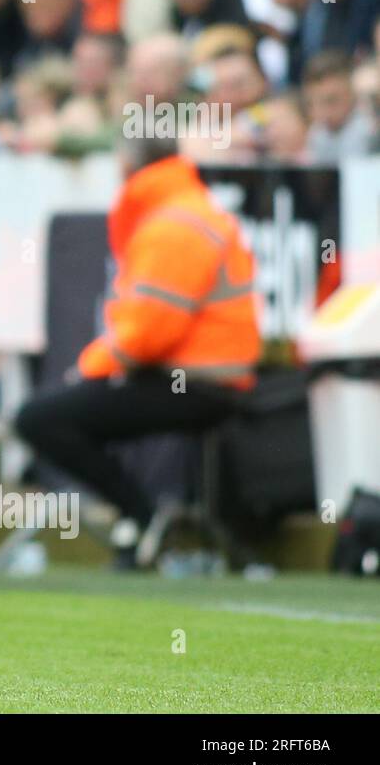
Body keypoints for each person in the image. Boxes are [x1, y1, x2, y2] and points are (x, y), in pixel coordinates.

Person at [14, 136, 261, 567]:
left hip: (198, 381)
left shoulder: (173, 224)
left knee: (39, 419)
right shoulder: (189, 211)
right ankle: (138, 518)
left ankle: (139, 515)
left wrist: (91, 369)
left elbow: (148, 332)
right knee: (59, 414)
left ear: (129, 166)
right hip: (209, 376)